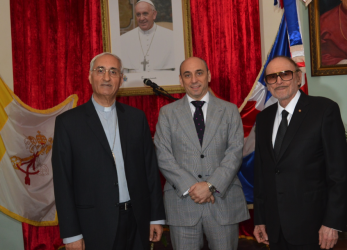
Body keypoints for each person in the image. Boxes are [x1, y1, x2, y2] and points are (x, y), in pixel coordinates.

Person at [52, 52, 165, 250]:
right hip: (93, 225)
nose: (106, 77)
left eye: (113, 72)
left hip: (137, 220)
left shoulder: (136, 118)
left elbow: (150, 172)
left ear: (121, 80)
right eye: (100, 71)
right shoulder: (68, 123)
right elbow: (63, 182)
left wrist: (156, 217)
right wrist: (71, 234)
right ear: (90, 76)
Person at [253, 56, 347, 250]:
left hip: (314, 228)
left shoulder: (324, 110)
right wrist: (260, 219)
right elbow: (262, 174)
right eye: (272, 77)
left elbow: (339, 173)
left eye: (285, 74)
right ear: (267, 84)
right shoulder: (263, 119)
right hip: (275, 227)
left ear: (298, 78)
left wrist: (332, 223)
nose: (278, 81)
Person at [154, 57, 249, 250]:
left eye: (199, 73)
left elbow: (234, 153)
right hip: (183, 205)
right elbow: (163, 155)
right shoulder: (167, 113)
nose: (194, 80)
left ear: (209, 76)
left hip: (223, 203)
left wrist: (211, 185)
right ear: (181, 80)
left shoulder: (230, 111)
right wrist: (193, 187)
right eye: (187, 75)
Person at [119, 0, 175, 72]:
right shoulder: (124, 39)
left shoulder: (171, 37)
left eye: (145, 14)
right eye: (138, 14)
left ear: (154, 14)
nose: (141, 18)